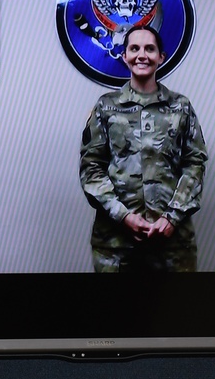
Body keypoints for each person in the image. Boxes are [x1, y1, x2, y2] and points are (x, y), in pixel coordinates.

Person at [79, 24, 208, 272]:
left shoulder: (180, 107)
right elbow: (91, 167)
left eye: (150, 49)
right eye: (134, 48)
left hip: (172, 242)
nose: (142, 55)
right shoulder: (106, 107)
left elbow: (195, 164)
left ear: (161, 57)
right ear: (125, 56)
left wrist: (172, 217)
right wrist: (123, 216)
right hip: (116, 243)